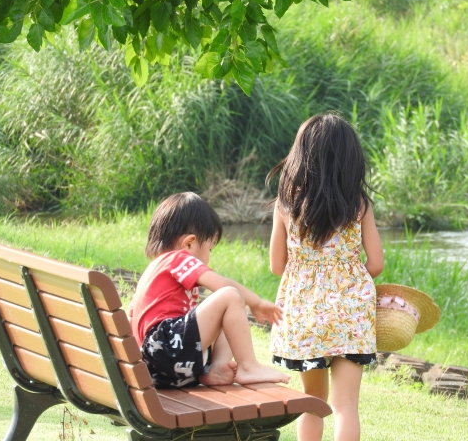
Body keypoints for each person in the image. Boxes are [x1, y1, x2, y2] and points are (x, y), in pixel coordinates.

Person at [266, 113, 384, 441]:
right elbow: (376, 263)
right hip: (350, 316)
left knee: (312, 404)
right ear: (350, 160)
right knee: (346, 406)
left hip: (304, 316)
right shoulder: (358, 205)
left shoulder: (287, 205)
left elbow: (277, 266)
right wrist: (347, 271)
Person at [129, 192, 290, 389]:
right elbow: (224, 286)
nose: (209, 257)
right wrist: (256, 302)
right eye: (210, 249)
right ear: (189, 243)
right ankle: (248, 366)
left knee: (223, 312)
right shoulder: (178, 258)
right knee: (230, 296)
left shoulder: (152, 271)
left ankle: (217, 367)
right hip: (168, 349)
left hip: (155, 367)